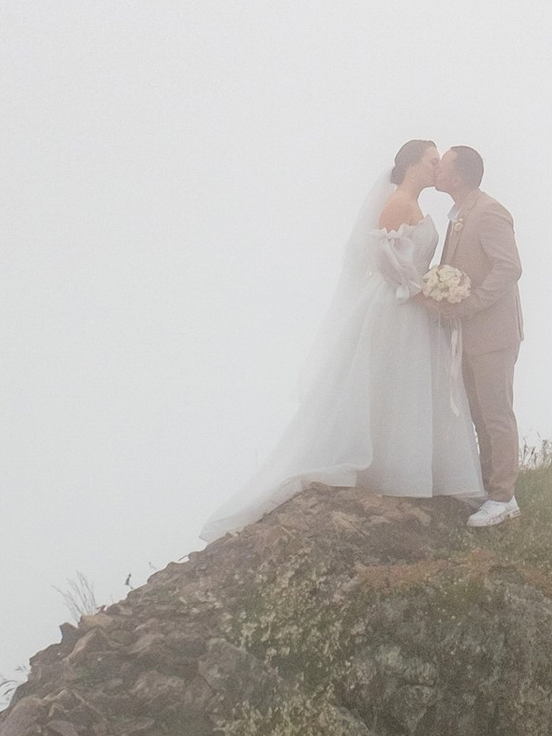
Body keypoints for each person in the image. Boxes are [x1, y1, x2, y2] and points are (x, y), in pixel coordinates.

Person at [200, 139, 482, 538]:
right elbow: (384, 258)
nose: (437, 167)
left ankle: (407, 468)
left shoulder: (414, 205)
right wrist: (422, 293)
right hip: (397, 308)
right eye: (432, 161)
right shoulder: (399, 202)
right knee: (387, 381)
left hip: (414, 307)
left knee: (407, 387)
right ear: (413, 165)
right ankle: (383, 468)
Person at [423, 145, 524, 528]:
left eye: (442, 165)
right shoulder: (459, 215)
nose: (436, 170)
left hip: (494, 334)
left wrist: (471, 304)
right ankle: (489, 488)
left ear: (458, 177)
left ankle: (504, 498)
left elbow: (510, 267)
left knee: (497, 415)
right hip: (470, 335)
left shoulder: (489, 211)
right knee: (479, 415)